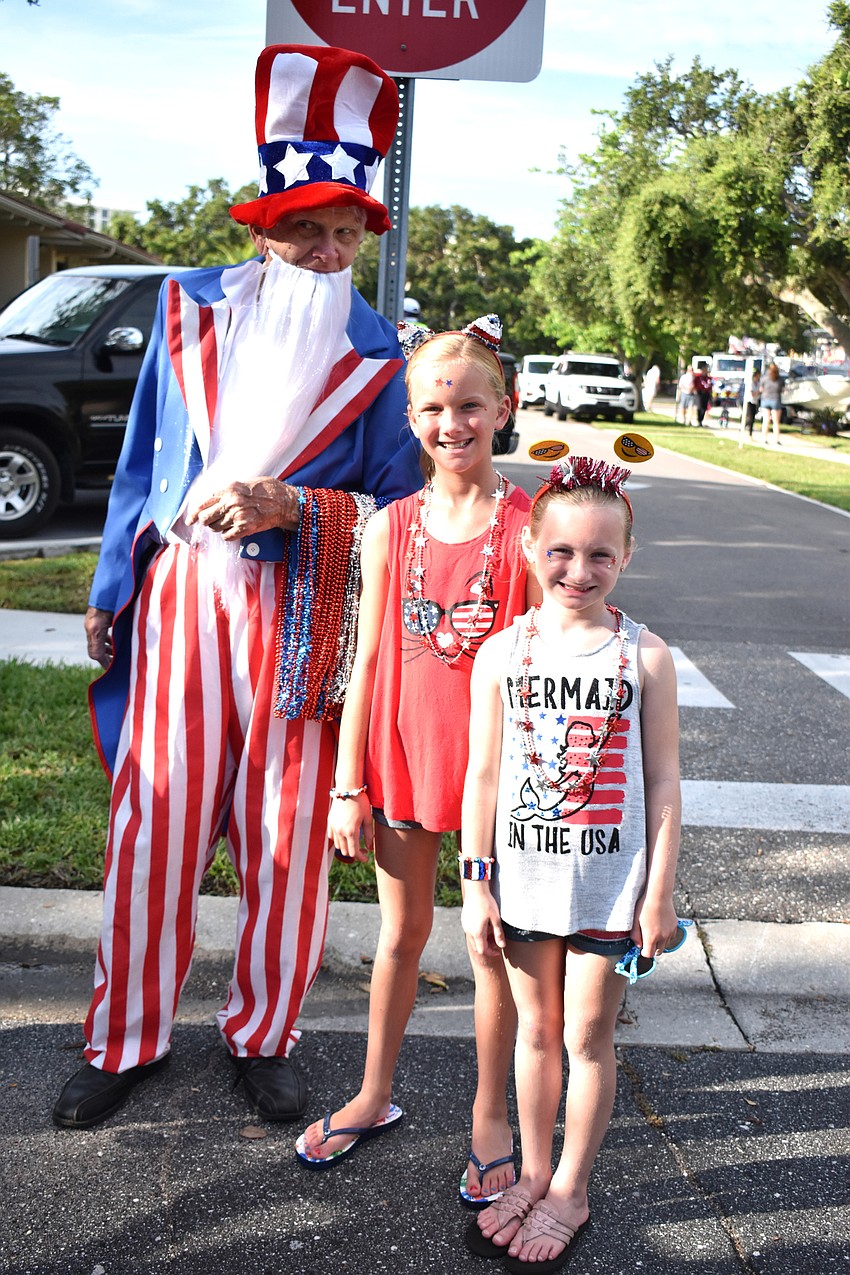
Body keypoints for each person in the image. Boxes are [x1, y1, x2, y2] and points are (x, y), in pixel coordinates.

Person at [52, 44, 422, 1132]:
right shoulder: (184, 313)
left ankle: (264, 1035)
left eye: (344, 230)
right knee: (153, 823)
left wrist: (294, 509)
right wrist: (111, 585)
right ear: (264, 228)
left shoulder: (381, 354)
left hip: (300, 617)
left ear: (363, 241)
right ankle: (124, 1036)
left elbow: (396, 513)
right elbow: (141, 463)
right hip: (180, 605)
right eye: (304, 225)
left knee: (287, 835)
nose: (324, 248)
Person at [294, 316, 538, 1209]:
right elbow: (364, 663)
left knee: (487, 943)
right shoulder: (389, 525)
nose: (453, 423)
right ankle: (373, 1090)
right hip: (400, 759)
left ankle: (489, 1117)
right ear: (410, 416)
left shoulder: (527, 528)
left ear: (503, 409)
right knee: (399, 936)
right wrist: (347, 783)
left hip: (497, 777)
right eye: (434, 407)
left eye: (471, 405)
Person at [461, 457, 681, 1272]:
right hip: (522, 881)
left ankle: (572, 1188)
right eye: (560, 551)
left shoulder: (645, 656)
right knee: (537, 1031)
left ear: (626, 556)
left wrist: (657, 893)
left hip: (609, 887)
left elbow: (663, 782)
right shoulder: (500, 653)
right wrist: (475, 879)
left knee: (588, 1034)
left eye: (599, 555)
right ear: (528, 545)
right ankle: (533, 1168)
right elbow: (482, 774)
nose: (578, 570)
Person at [760, 362, 784, 444]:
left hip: (765, 399)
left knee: (766, 420)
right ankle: (777, 440)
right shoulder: (780, 379)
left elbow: (761, 389)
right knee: (776, 422)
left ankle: (764, 439)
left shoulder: (765, 378)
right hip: (776, 400)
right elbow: (783, 390)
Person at [692, 361, 713, 426]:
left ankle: (701, 420)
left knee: (704, 407)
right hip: (699, 393)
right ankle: (699, 419)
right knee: (699, 406)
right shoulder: (698, 378)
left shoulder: (709, 378)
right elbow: (695, 385)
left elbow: (710, 386)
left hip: (706, 393)